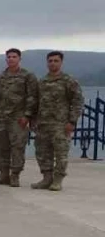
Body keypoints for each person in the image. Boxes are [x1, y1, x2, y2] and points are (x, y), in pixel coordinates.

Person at [31, 51, 83, 191]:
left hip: (60, 124)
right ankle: (46, 178)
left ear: (61, 62)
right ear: (47, 63)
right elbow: (36, 102)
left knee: (61, 153)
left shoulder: (68, 81)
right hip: (43, 124)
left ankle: (57, 180)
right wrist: (33, 119)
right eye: (50, 61)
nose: (52, 63)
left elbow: (77, 101)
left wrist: (72, 121)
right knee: (42, 153)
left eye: (56, 61)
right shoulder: (42, 82)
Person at [0, 48, 38, 187]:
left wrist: (27, 115)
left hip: (18, 119)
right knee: (0, 147)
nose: (11, 59)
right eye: (9, 57)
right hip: (0, 119)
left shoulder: (27, 76)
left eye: (14, 57)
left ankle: (15, 175)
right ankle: (3, 175)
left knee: (17, 148)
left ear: (19, 59)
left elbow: (32, 97)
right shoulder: (0, 77)